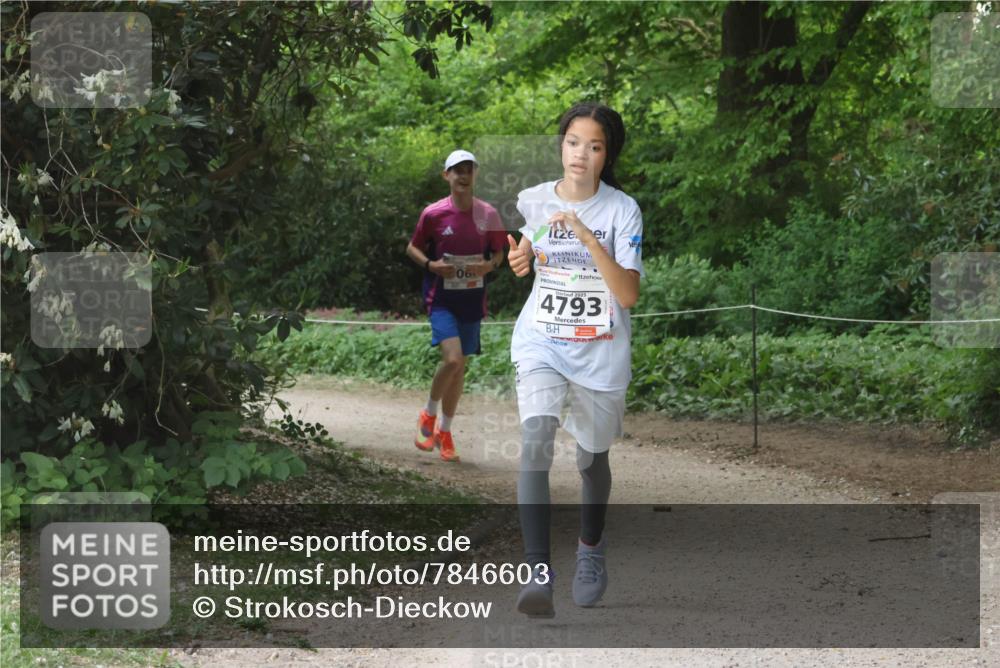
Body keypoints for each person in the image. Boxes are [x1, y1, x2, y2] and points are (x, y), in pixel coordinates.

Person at [506, 103, 643, 617]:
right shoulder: (536, 201)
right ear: (560, 145)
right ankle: (537, 572)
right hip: (542, 339)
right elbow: (526, 255)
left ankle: (590, 547)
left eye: (595, 145)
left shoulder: (622, 211)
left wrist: (587, 236)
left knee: (591, 461)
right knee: (536, 439)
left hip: (601, 352)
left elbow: (627, 295)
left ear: (608, 156)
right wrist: (520, 257)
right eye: (572, 142)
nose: (580, 154)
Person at [406, 149, 506, 462]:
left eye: (468, 170)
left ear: (475, 174)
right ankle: (428, 415)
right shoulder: (433, 214)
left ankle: (445, 432)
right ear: (446, 176)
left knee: (461, 366)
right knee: (452, 360)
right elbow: (412, 248)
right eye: (456, 170)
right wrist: (431, 266)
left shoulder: (488, 214)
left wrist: (488, 267)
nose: (463, 176)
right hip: (442, 299)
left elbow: (499, 252)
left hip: (473, 299)